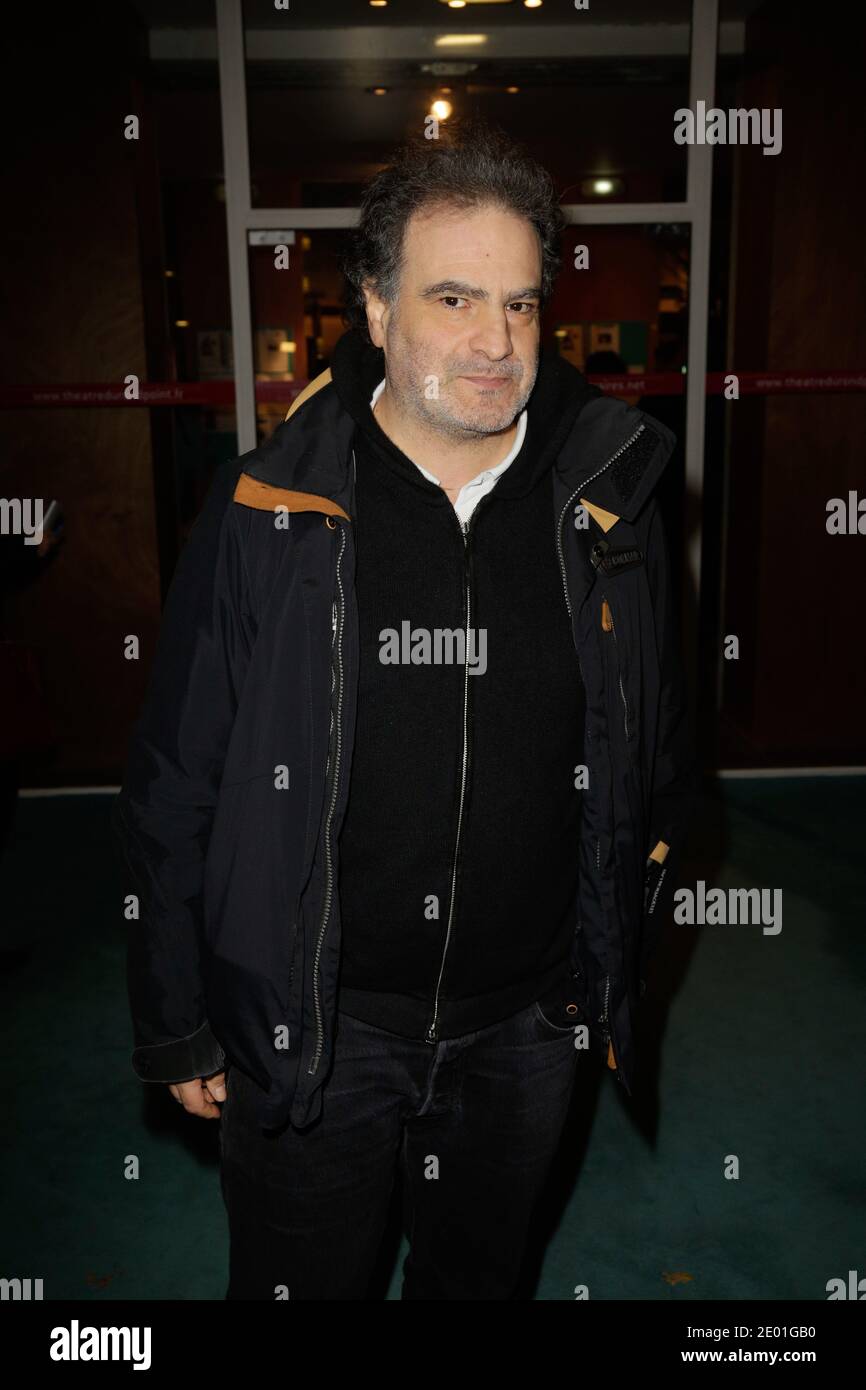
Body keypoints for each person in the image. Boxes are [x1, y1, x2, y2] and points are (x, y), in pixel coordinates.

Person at [112, 121, 696, 1300]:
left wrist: (608, 957)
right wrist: (178, 1015)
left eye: (523, 305)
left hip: (526, 1029)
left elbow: (660, 750)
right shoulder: (267, 508)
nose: (496, 342)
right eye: (454, 298)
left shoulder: (609, 503)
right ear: (375, 308)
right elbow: (180, 774)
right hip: (319, 1029)